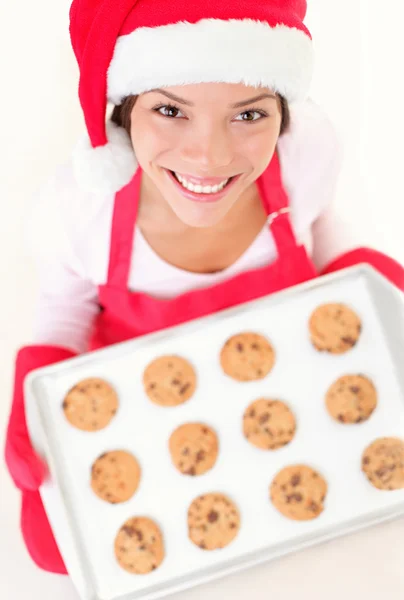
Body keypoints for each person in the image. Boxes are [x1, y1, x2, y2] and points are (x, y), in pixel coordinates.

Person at [5, 0, 404, 576]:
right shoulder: (75, 212)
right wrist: (35, 393)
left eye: (249, 116)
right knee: (52, 548)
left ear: (283, 110)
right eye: (170, 109)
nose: (211, 157)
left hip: (299, 369)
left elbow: (317, 221)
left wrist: (357, 266)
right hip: (146, 397)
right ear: (123, 113)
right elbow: (64, 306)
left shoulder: (306, 153)